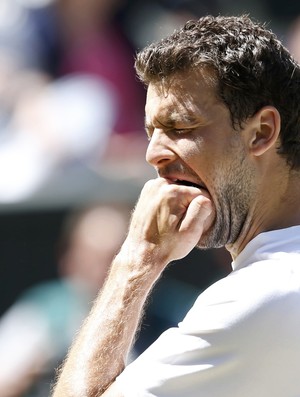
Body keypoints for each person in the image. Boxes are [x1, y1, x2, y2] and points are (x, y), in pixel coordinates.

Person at [52, 15, 300, 397]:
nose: (153, 154)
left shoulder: (263, 293)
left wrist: (137, 260)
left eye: (181, 128)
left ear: (262, 132)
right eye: (152, 132)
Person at [0, 203, 129, 397]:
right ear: (68, 256)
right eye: (93, 256)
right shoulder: (42, 310)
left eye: (115, 256)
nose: (104, 269)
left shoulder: (171, 315)